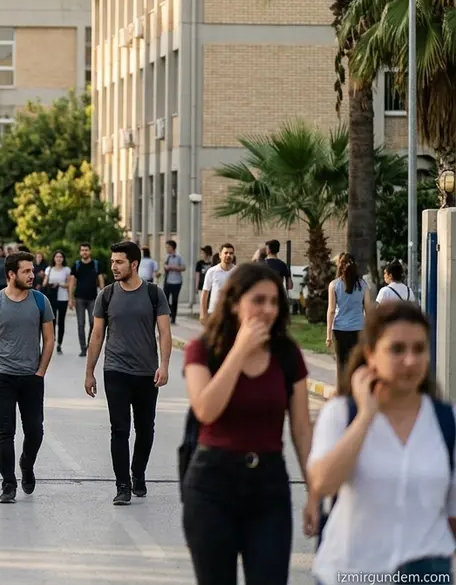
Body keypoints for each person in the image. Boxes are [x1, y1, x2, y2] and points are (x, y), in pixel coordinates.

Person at [180, 262, 314, 585]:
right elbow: (206, 410)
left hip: (268, 486)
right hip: (211, 485)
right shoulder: (204, 350)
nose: (268, 309)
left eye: (274, 301)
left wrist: (316, 492)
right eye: (258, 300)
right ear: (235, 302)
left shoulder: (286, 354)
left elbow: (300, 429)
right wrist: (239, 351)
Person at [309, 300, 456, 582]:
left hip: (427, 571)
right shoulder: (341, 414)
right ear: (371, 355)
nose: (410, 360)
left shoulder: (446, 421)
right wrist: (365, 417)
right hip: (353, 571)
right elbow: (322, 483)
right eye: (397, 349)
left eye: (419, 349)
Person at [84, 241, 172, 505]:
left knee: (145, 429)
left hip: (147, 373)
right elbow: (97, 335)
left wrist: (164, 365)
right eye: (112, 262)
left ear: (134, 264)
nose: (114, 266)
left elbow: (165, 333)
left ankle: (138, 472)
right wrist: (89, 372)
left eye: (119, 262)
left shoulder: (154, 294)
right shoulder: (107, 295)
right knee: (119, 429)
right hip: (116, 371)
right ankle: (122, 485)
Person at [0, 252, 55, 503]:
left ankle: (26, 465)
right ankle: (8, 484)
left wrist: (40, 372)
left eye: (32, 270)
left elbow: (49, 340)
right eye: (27, 271)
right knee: (5, 432)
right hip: (2, 376)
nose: (32, 275)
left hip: (31, 377)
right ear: (11, 274)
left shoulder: (40, 302)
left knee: (35, 431)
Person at [327, 251, 374, 371]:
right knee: (357, 363)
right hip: (358, 329)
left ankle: (342, 388)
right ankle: (355, 387)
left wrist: (328, 336)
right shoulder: (363, 285)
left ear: (340, 265)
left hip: (339, 330)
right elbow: (368, 309)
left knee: (341, 364)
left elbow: (331, 310)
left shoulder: (334, 285)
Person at [72, 243, 105, 357]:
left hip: (93, 298)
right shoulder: (76, 265)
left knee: (93, 322)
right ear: (80, 252)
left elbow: (100, 279)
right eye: (82, 250)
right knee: (81, 324)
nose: (84, 252)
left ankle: (89, 345)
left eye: (86, 250)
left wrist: (103, 295)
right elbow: (72, 282)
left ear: (90, 251)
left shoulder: (95, 264)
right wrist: (71, 298)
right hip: (79, 298)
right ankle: (83, 349)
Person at [42, 251, 72, 354]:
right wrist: (50, 283)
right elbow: (44, 283)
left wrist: (60, 284)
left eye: (60, 257)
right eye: (57, 257)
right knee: (52, 320)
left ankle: (59, 343)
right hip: (52, 297)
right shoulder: (49, 269)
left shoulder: (66, 270)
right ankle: (52, 339)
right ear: (54, 258)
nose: (59, 259)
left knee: (61, 321)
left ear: (63, 259)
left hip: (63, 297)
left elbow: (69, 284)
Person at [200, 243, 236, 320]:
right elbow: (205, 293)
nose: (228, 255)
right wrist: (203, 313)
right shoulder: (212, 271)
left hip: (232, 313)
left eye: (231, 253)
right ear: (220, 255)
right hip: (214, 312)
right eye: (226, 253)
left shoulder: (237, 271)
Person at [163, 241, 186, 324]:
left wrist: (173, 267)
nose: (167, 249)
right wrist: (165, 267)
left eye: (168, 247)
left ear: (172, 247)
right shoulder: (167, 257)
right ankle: (168, 314)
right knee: (165, 299)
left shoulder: (179, 257)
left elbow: (183, 267)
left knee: (175, 300)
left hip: (177, 282)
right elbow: (165, 265)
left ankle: (173, 317)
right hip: (168, 281)